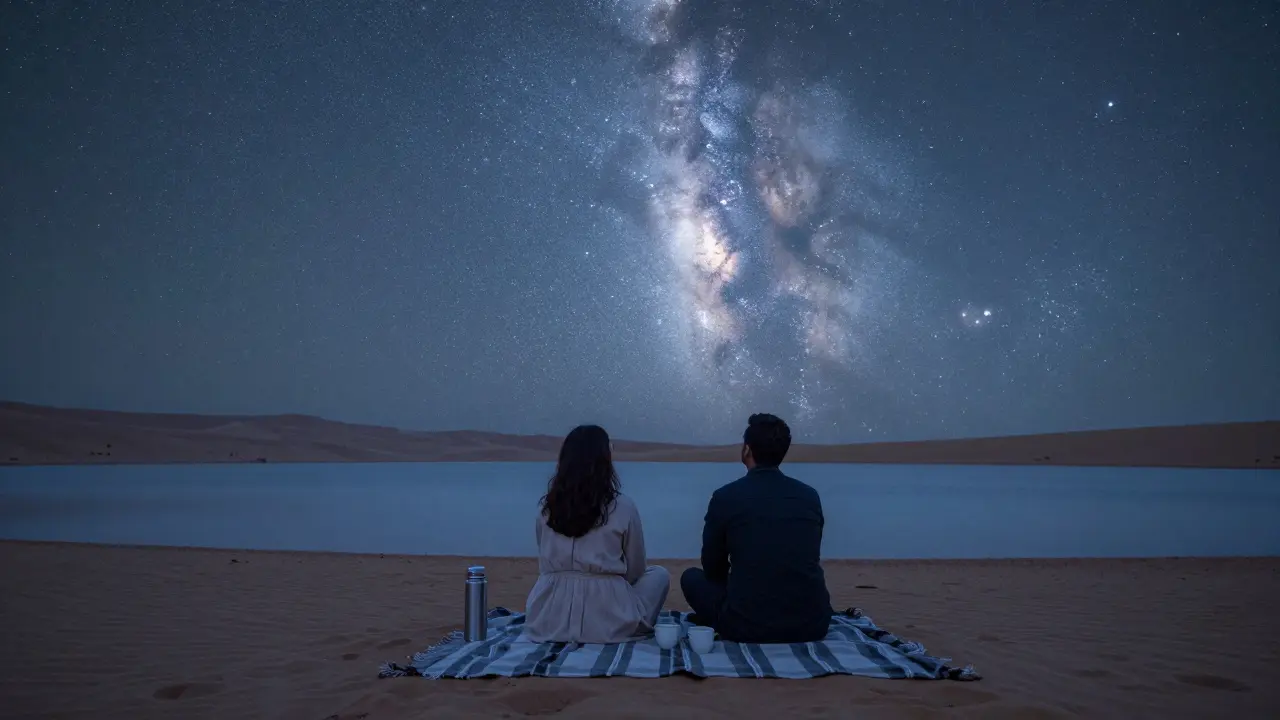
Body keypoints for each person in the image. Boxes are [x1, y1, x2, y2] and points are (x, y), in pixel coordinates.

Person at [680, 413, 833, 643]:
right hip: (812, 624)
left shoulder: (726, 497)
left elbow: (713, 567)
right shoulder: (809, 496)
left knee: (691, 578)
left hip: (746, 627)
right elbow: (807, 554)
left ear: (747, 450)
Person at [524, 425, 670, 644]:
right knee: (659, 575)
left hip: (547, 619)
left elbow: (544, 564)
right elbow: (636, 570)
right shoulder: (622, 506)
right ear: (605, 461)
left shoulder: (546, 508)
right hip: (608, 620)